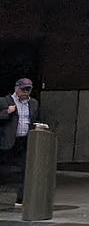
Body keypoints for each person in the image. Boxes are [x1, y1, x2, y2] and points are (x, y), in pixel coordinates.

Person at [2, 79, 42, 207]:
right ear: (16, 88)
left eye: (28, 89)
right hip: (7, 140)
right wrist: (6, 113)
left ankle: (21, 198)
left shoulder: (34, 103)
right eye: (23, 89)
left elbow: (34, 119)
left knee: (26, 170)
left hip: (24, 140)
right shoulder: (4, 101)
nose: (25, 92)